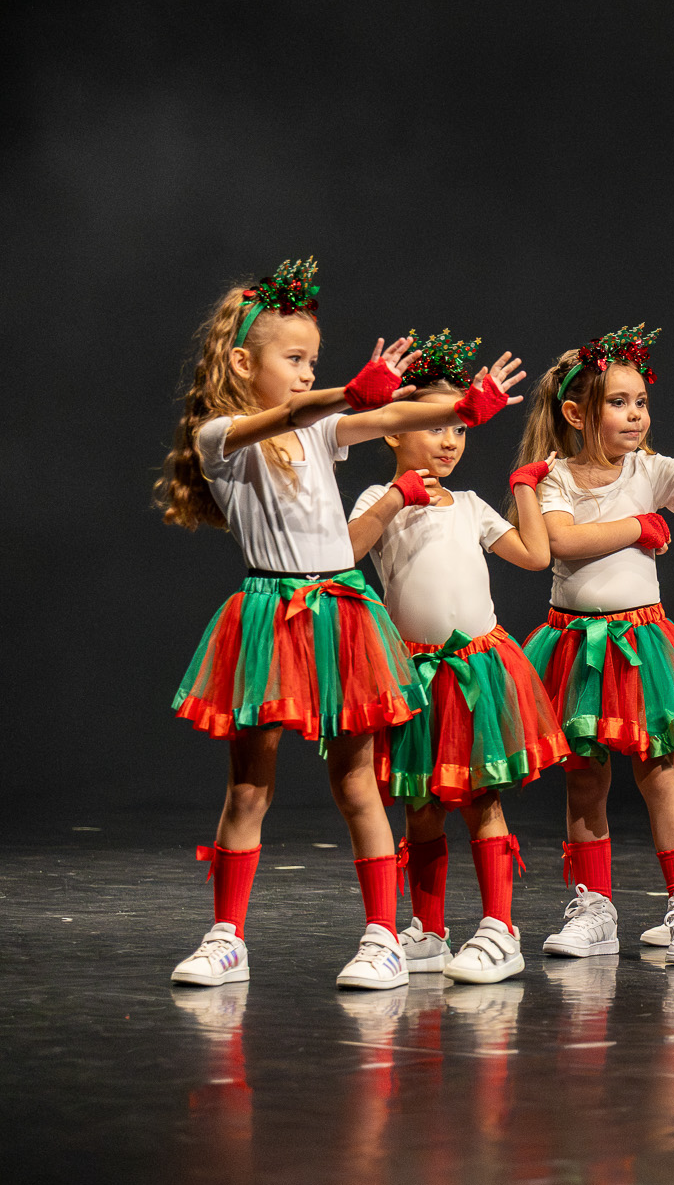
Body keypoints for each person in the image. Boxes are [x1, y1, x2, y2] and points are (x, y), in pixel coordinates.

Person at [158, 258, 525, 988]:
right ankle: (227, 935)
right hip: (269, 612)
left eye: (313, 362)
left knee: (358, 783)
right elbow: (297, 413)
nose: (304, 374)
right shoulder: (221, 435)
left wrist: (463, 410)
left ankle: (384, 936)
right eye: (293, 359)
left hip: (340, 612)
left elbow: (389, 417)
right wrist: (343, 390)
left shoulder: (323, 430)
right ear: (241, 361)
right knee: (249, 786)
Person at [516, 324, 674, 966]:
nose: (635, 414)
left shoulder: (651, 470)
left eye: (641, 402)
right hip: (573, 644)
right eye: (618, 402)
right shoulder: (553, 478)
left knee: (659, 772)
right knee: (584, 780)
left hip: (637, 643)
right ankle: (593, 906)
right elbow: (562, 543)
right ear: (576, 413)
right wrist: (639, 527)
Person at [347, 328, 568, 985]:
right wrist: (393, 500)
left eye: (460, 428)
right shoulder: (376, 501)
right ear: (393, 431)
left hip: (477, 670)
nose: (449, 440)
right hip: (414, 677)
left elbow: (534, 555)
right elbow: (343, 549)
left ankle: (501, 927)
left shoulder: (470, 506)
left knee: (481, 797)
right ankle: (430, 930)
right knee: (420, 804)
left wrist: (525, 488)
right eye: (436, 425)